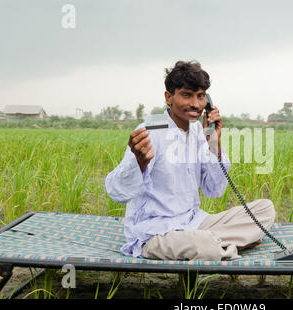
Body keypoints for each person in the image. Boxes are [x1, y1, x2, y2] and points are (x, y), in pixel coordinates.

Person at [105, 60, 275, 261]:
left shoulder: (198, 130)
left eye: (201, 96)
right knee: (203, 245)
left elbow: (214, 190)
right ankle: (226, 244)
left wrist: (214, 142)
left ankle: (218, 242)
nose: (196, 104)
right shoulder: (151, 129)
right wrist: (139, 163)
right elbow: (115, 191)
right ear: (169, 97)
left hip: (193, 222)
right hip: (155, 232)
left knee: (265, 210)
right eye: (187, 95)